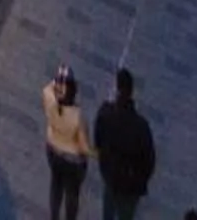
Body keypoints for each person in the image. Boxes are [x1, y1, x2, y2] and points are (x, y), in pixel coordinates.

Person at [92, 68, 158, 220]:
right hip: (130, 186)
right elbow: (149, 161)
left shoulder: (106, 114)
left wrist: (106, 166)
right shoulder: (141, 126)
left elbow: (98, 143)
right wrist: (139, 181)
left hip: (111, 177)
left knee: (108, 211)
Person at [43, 67, 93, 220]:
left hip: (56, 157)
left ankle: (54, 216)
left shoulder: (53, 108)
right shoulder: (79, 118)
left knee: (56, 187)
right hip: (73, 164)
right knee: (72, 196)